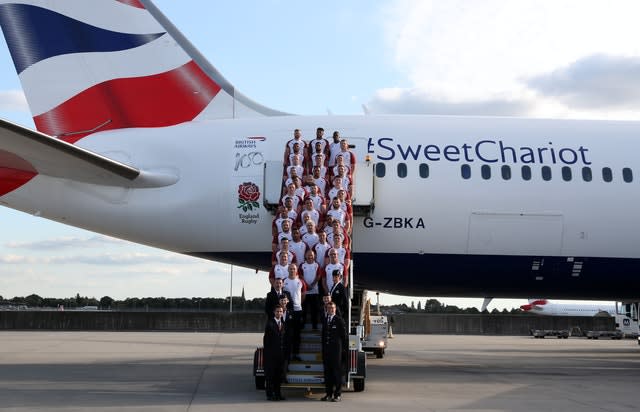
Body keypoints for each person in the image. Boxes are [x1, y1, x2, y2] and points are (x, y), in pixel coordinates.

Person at [321, 301, 348, 402]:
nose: (330, 310)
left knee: (337, 373)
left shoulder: (339, 320)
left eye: (332, 308)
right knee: (327, 374)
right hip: (327, 351)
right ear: (326, 309)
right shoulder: (325, 320)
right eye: (328, 308)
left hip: (336, 352)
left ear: (335, 309)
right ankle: (328, 394)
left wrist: (344, 351)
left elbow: (344, 337)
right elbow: (323, 337)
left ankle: (337, 395)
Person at [263, 304, 288, 401]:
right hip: (272, 356)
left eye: (281, 311)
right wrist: (268, 355)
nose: (279, 313)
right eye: (277, 311)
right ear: (274, 312)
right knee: (270, 376)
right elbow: (266, 341)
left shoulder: (283, 324)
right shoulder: (270, 324)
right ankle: (270, 394)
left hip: (281, 356)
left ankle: (278, 394)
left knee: (278, 376)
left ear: (283, 312)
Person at [283, 263, 306, 361]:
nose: (292, 270)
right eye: (290, 269)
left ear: (296, 270)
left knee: (297, 333)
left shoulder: (300, 282)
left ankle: (296, 354)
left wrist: (298, 303)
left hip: (298, 310)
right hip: (287, 311)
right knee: (288, 333)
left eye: (294, 269)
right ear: (288, 270)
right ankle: (287, 354)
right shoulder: (284, 281)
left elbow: (304, 294)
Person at [300, 249, 323, 330]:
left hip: (315, 291)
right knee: (304, 310)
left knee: (315, 310)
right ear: (306, 256)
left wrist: (312, 284)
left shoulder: (317, 265)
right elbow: (301, 276)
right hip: (305, 292)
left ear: (314, 256)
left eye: (311, 255)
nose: (310, 257)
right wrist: (306, 285)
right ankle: (302, 325)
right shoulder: (302, 265)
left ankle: (315, 326)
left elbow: (318, 276)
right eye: (308, 255)